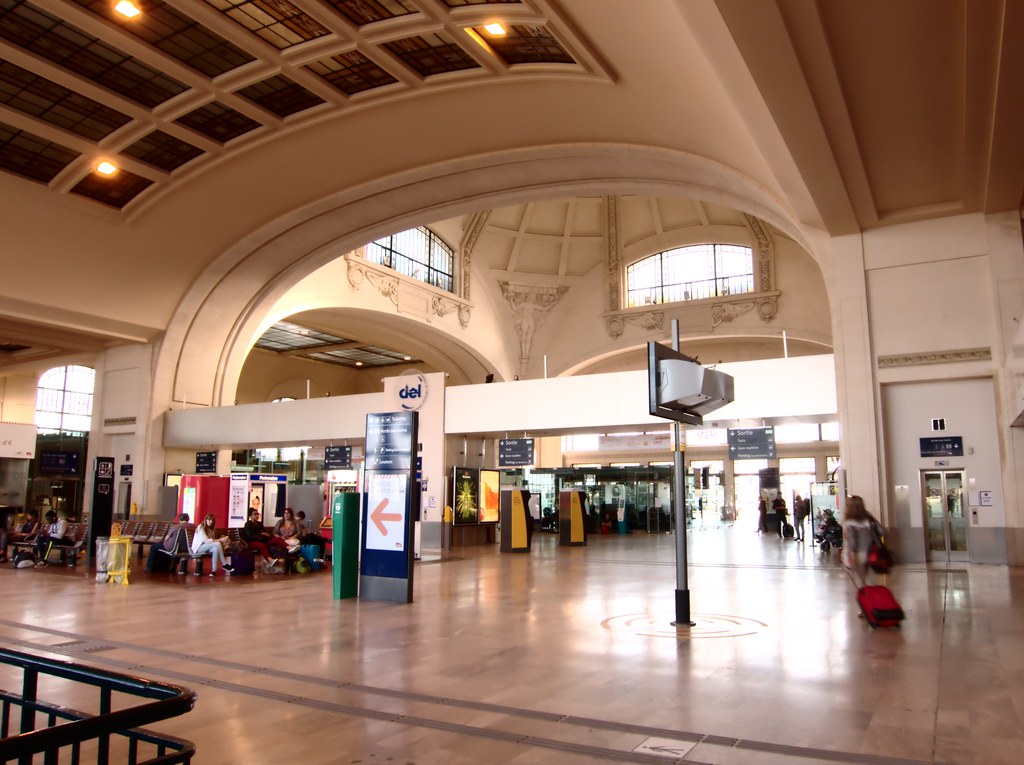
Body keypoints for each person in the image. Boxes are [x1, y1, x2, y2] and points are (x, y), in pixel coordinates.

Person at [842, 495, 876, 587]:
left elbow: (852, 541)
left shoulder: (849, 522)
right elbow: (882, 531)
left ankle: (864, 598)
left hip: (857, 555)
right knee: (869, 580)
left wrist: (851, 557)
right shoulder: (869, 519)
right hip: (871, 553)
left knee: (859, 584)